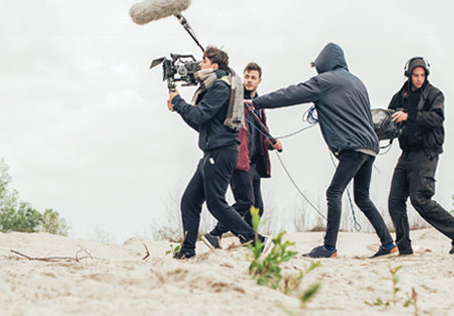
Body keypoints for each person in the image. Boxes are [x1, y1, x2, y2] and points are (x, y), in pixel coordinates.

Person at [246, 43, 395, 258]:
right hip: (370, 146)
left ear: (324, 63)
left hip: (353, 147)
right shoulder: (357, 82)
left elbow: (291, 94)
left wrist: (256, 102)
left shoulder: (325, 81)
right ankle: (388, 243)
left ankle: (329, 247)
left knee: (333, 192)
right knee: (362, 197)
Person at [168, 46, 266, 259]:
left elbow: (200, 115)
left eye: (202, 62)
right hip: (211, 152)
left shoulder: (221, 88)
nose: (198, 65)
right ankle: (187, 251)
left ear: (213, 65)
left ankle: (255, 240)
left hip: (221, 153)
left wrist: (178, 101)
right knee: (189, 201)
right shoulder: (216, 87)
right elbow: (201, 123)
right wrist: (178, 107)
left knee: (216, 204)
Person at [202, 62, 282, 249]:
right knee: (245, 202)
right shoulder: (236, 99)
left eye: (253, 77)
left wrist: (272, 143)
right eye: (246, 76)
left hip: (254, 162)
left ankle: (244, 237)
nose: (249, 80)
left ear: (259, 81)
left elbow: (262, 134)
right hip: (238, 159)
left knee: (257, 208)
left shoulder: (259, 105)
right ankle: (217, 234)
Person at [387, 57, 454, 255]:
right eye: (415, 75)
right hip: (406, 154)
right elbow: (389, 117)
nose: (418, 79)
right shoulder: (400, 96)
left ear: (426, 75)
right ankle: (404, 248)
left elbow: (437, 118)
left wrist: (410, 116)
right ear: (409, 75)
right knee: (395, 201)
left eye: (422, 75)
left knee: (420, 198)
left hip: (426, 152)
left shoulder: (435, 94)